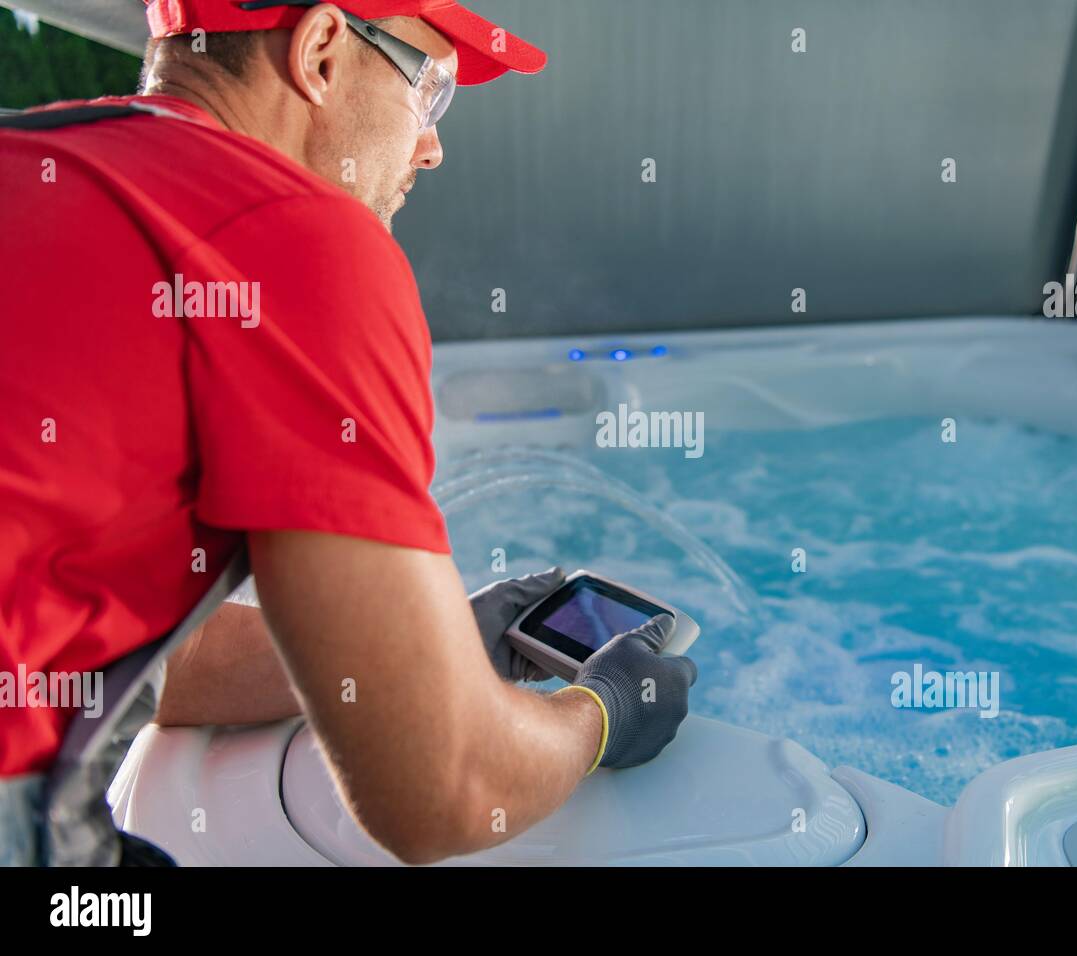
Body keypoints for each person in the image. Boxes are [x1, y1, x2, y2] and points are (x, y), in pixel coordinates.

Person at [0, 0, 696, 866]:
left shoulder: (31, 158)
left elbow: (118, 658)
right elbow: (445, 791)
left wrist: (424, 647)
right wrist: (601, 715)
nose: (434, 144)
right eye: (430, 89)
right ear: (324, 49)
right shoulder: (294, 240)